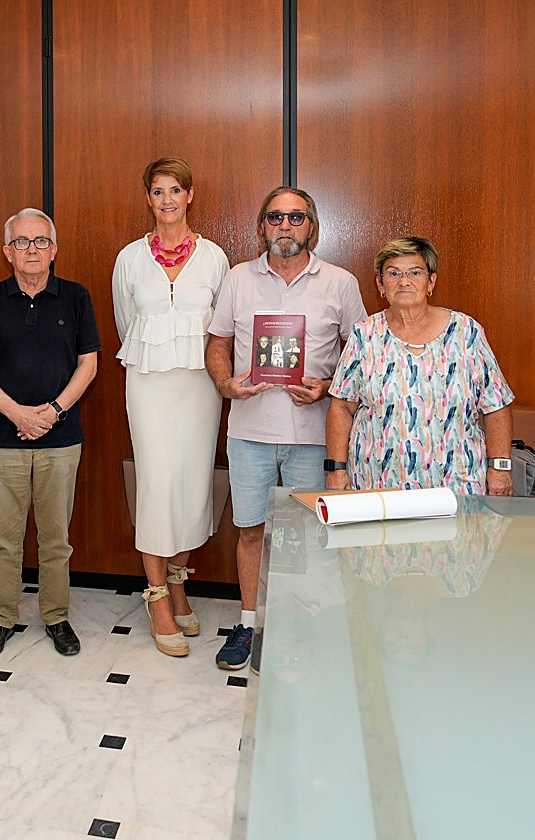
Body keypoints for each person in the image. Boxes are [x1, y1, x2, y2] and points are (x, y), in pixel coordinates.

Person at [206, 186, 366, 670]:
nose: (285, 226)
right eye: (275, 217)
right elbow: (217, 343)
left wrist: (326, 388)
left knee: (305, 536)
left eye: (296, 218)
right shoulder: (237, 278)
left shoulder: (340, 283)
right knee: (251, 532)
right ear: (262, 226)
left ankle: (298, 623)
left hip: (313, 435)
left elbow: (361, 356)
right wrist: (225, 384)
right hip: (250, 431)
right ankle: (249, 625)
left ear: (311, 227)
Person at [0, 208, 100, 658]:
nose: (32, 250)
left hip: (61, 439)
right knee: (3, 539)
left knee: (55, 537)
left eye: (40, 241)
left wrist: (54, 411)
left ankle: (56, 617)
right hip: (2, 438)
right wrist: (18, 414)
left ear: (54, 249)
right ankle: (3, 618)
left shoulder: (76, 297)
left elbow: (89, 364)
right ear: (7, 252)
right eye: (22, 242)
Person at [112, 156, 228, 657]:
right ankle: (157, 595)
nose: (167, 200)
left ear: (190, 194)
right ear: (148, 198)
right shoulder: (129, 259)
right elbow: (124, 322)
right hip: (148, 384)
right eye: (157, 192)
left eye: (174, 190)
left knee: (191, 482)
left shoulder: (215, 258)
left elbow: (223, 330)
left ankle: (179, 580)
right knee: (157, 484)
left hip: (200, 387)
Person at [324, 237, 515, 496]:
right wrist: (336, 471)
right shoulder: (364, 335)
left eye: (415, 272)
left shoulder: (466, 331)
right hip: (377, 484)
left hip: (457, 485)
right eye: (393, 273)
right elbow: (342, 408)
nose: (404, 281)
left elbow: (496, 406)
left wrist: (500, 469)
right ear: (380, 284)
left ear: (431, 282)